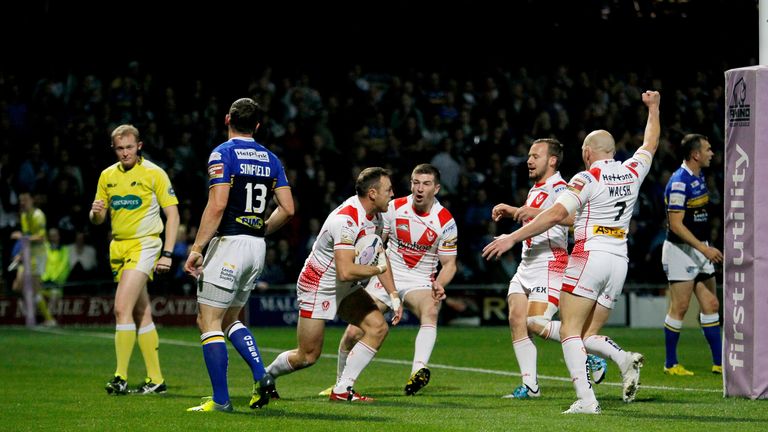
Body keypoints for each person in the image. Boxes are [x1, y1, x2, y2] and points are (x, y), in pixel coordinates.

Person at [483, 90, 661, 414]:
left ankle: (587, 400)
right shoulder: (633, 170)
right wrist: (654, 108)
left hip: (588, 254)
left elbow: (555, 214)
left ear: (587, 152)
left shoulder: (587, 177)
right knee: (586, 333)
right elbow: (650, 143)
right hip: (619, 260)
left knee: (568, 330)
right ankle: (622, 359)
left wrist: (511, 238)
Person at [184, 98, 295, 413]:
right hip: (256, 248)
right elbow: (288, 209)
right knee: (231, 318)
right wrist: (261, 229)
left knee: (208, 321)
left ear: (227, 119)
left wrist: (196, 248)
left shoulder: (223, 153)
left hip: (229, 244)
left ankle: (221, 400)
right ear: (257, 126)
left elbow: (218, 204)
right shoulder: (271, 159)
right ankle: (261, 374)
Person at [265, 167, 404, 402]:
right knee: (308, 356)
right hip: (318, 285)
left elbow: (379, 254)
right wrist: (377, 270)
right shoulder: (346, 220)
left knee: (378, 328)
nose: (392, 194)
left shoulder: (378, 217)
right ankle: (265, 376)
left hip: (343, 286)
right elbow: (346, 270)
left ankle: (342, 388)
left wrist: (393, 294)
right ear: (372, 193)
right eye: (388, 190)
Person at [323, 163, 457, 397]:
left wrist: (440, 283)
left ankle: (418, 370)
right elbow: (376, 245)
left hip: (420, 281)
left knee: (431, 308)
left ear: (436, 188)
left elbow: (449, 264)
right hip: (387, 274)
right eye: (416, 182)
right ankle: (340, 383)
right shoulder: (393, 208)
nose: (419, 188)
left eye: (426, 184)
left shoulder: (445, 221)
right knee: (353, 333)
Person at [490, 138, 607, 399]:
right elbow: (535, 216)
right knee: (516, 319)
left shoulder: (561, 186)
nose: (529, 161)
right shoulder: (537, 188)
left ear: (552, 160)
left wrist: (529, 211)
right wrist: (514, 211)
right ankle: (530, 386)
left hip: (549, 263)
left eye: (535, 156)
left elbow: (572, 218)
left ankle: (587, 355)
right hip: (527, 263)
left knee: (535, 322)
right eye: (529, 156)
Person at [90, 124, 179, 395]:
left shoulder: (154, 173)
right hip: (118, 248)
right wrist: (95, 213)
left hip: (145, 244)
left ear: (139, 146)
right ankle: (157, 380)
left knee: (121, 308)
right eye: (120, 148)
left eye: (129, 147)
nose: (125, 153)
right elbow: (98, 219)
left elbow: (173, 215)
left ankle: (120, 377)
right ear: (114, 148)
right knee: (141, 312)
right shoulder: (107, 176)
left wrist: (167, 254)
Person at [661, 134, 723, 376]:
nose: (711, 153)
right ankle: (670, 364)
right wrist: (703, 248)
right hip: (681, 251)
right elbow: (675, 225)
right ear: (695, 155)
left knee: (711, 304)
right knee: (681, 306)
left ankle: (719, 363)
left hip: (700, 248)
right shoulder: (679, 181)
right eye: (708, 149)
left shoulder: (699, 177)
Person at [10, 191, 56, 326]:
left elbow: (41, 237)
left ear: (32, 200)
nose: (22, 203)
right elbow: (27, 237)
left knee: (34, 288)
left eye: (25, 199)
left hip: (39, 255)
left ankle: (49, 319)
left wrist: (22, 237)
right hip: (28, 254)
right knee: (18, 287)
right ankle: (49, 295)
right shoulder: (24, 216)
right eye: (21, 200)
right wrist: (20, 254)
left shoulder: (38, 215)